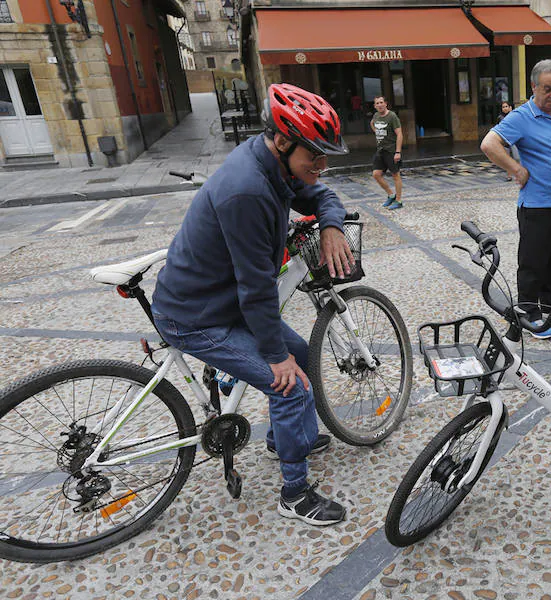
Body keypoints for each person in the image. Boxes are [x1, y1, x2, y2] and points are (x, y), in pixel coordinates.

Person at [151, 83, 355, 527]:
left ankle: (287, 441)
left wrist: (331, 226)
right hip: (195, 316)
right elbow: (256, 288)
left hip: (221, 304)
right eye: (314, 157)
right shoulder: (247, 191)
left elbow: (319, 195)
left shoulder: (273, 165)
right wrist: (274, 359)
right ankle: (295, 493)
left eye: (326, 157)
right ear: (283, 141)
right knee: (289, 382)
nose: (321, 168)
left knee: (300, 354)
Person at [481, 60, 551, 339]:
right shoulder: (522, 116)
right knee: (533, 264)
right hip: (537, 206)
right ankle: (529, 314)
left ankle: (549, 305)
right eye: (547, 89)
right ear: (534, 87)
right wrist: (515, 168)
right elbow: (489, 144)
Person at [371, 96, 404, 210]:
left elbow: (399, 134)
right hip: (380, 150)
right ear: (375, 106)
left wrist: (398, 152)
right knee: (376, 174)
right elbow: (372, 124)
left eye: (381, 102)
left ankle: (398, 201)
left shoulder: (392, 116)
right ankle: (391, 195)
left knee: (395, 175)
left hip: (391, 150)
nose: (379, 105)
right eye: (377, 103)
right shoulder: (376, 116)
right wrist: (378, 132)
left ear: (385, 104)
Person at [496, 100, 520, 178]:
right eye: (503, 107)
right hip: (505, 140)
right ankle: (509, 175)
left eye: (506, 106)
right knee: (507, 159)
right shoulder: (500, 117)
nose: (505, 108)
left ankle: (519, 173)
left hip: (514, 140)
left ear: (510, 107)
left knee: (517, 157)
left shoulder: (514, 116)